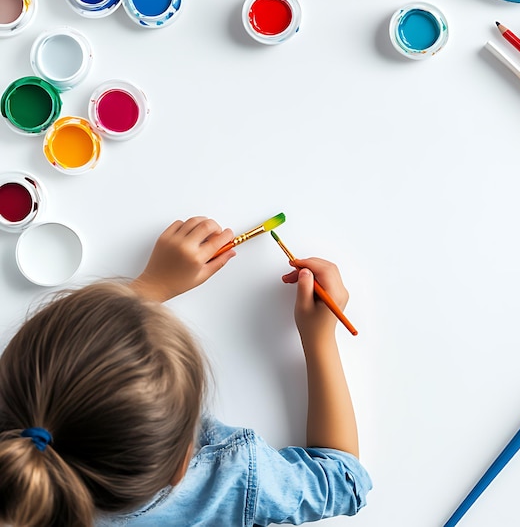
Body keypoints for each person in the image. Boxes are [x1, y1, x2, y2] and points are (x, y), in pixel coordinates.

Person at [0, 217, 372, 526]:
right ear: (182, 465)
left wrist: (151, 286)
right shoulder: (225, 478)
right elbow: (344, 481)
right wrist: (319, 339)